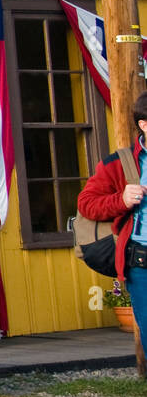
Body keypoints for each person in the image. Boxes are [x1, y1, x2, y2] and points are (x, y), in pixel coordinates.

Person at [76, 90, 147, 343]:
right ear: (144, 125)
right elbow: (86, 204)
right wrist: (122, 200)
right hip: (141, 263)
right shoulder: (119, 163)